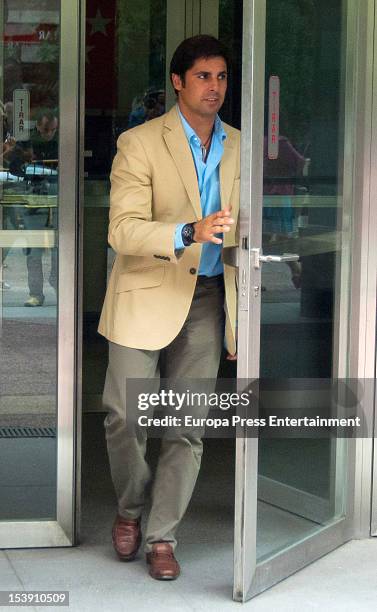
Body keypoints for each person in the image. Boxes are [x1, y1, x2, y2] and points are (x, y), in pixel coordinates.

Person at [98, 35, 240, 581]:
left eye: (222, 77)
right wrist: (188, 230)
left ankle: (161, 535)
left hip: (207, 301)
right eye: (203, 76)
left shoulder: (239, 145)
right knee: (124, 416)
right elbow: (122, 230)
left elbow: (243, 227)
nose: (215, 87)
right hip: (146, 292)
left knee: (185, 425)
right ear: (178, 82)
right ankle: (130, 508)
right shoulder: (139, 143)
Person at [22, 109, 58, 307]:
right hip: (35, 200)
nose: (49, 134)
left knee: (59, 248)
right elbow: (15, 167)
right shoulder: (27, 143)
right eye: (46, 130)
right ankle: (35, 292)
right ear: (38, 127)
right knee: (33, 250)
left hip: (55, 198)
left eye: (52, 130)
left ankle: (59, 284)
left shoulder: (63, 140)